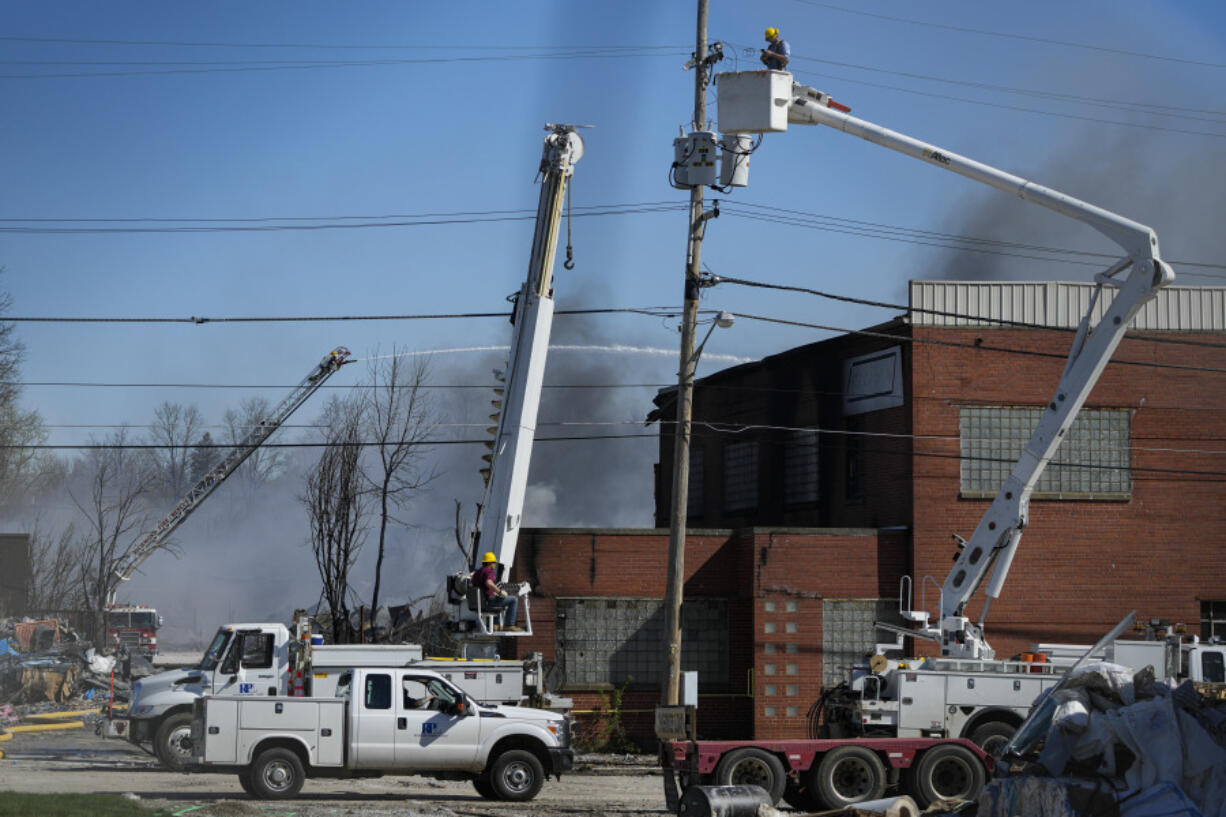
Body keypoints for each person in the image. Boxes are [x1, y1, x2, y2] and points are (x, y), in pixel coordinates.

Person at [472, 551, 520, 631]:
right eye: (494, 562)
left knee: (496, 598)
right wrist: (500, 592)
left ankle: (495, 625)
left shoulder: (478, 572)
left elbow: (481, 587)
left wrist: (494, 592)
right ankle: (509, 625)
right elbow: (488, 582)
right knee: (513, 600)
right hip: (488, 603)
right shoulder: (489, 571)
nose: (495, 564)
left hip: (480, 603)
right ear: (490, 563)